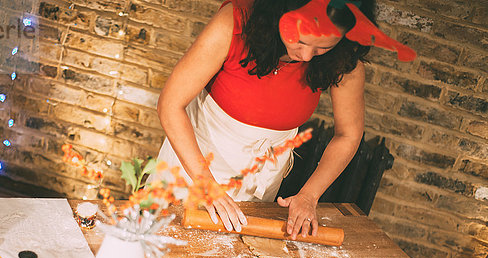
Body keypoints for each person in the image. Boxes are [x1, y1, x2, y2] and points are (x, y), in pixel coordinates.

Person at [154, 0, 415, 239]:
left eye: (324, 47)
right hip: (194, 167)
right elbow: (170, 104)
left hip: (262, 179)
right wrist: (206, 184)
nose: (306, 56)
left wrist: (309, 196)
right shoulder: (235, 23)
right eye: (300, 41)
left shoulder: (343, 59)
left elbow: (348, 134)